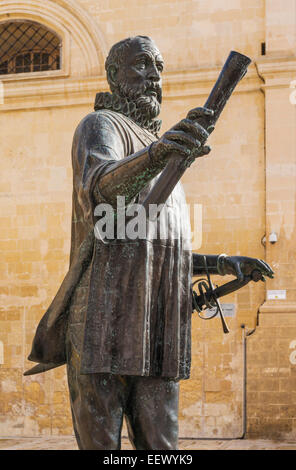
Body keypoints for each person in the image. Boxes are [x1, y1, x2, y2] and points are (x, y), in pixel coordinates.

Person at [25, 36, 274, 450]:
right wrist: (157, 155)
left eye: (159, 67)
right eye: (143, 64)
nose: (155, 76)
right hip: (102, 322)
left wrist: (225, 263)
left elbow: (159, 249)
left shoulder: (165, 152)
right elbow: (101, 189)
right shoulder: (101, 125)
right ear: (114, 75)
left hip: (158, 326)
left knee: (162, 449)